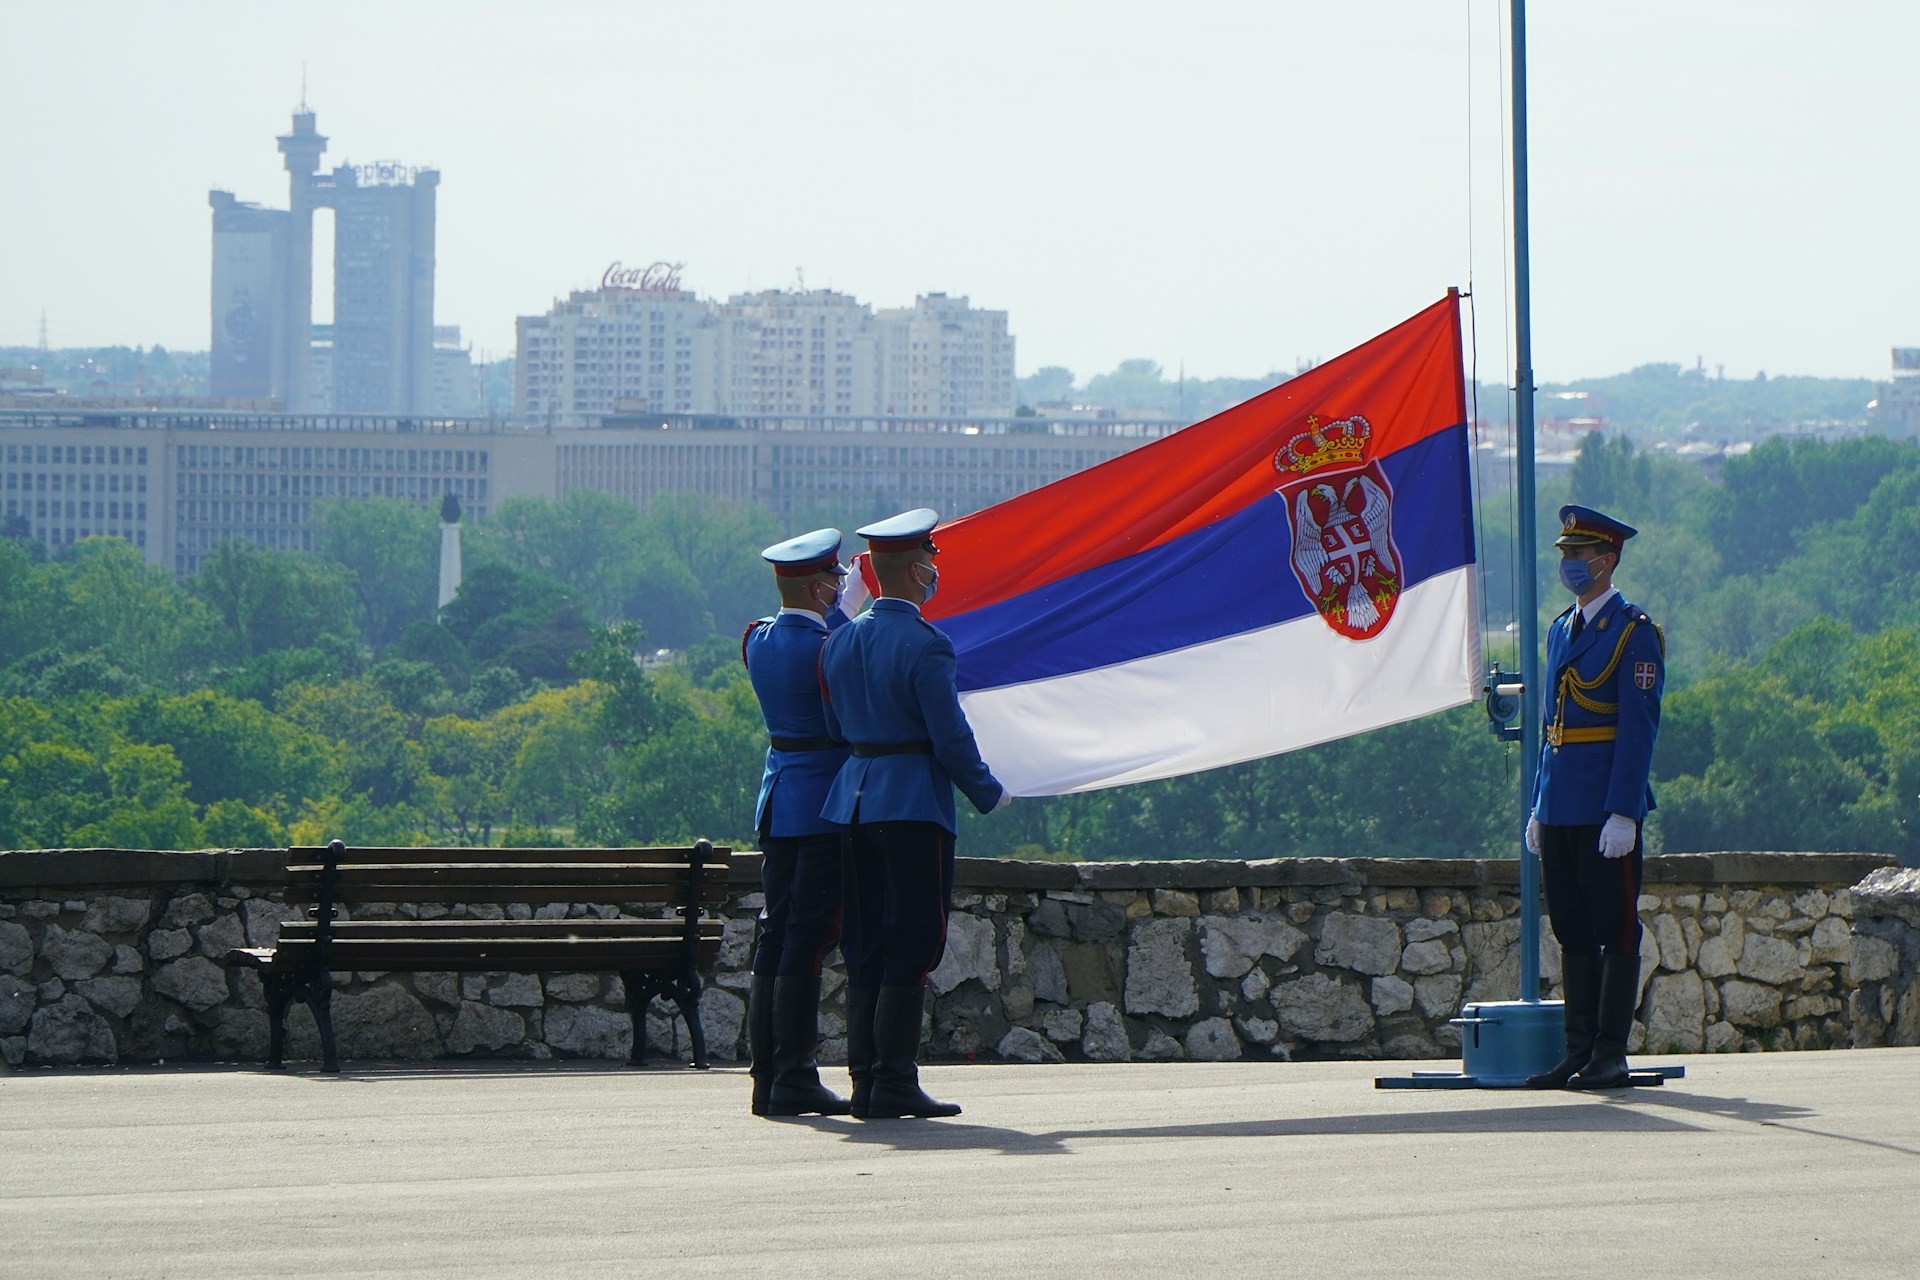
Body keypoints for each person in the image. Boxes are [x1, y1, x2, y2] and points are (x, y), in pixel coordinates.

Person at [819, 508, 1009, 1119]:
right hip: (912, 803)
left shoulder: (839, 640)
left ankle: (865, 1081)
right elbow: (949, 736)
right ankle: (895, 1080)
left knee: (865, 943)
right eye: (930, 561)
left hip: (853, 800)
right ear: (919, 569)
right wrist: (988, 790)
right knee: (914, 938)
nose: (934, 571)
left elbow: (834, 727)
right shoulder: (927, 644)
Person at [1524, 504, 1665, 1090]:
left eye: (1579, 555)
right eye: (1565, 554)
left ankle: (1610, 1053)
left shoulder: (1634, 633)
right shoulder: (1561, 629)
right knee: (1572, 931)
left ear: (1607, 561)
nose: (1569, 564)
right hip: (1562, 805)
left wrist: (1624, 812)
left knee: (1617, 929)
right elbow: (1551, 727)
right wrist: (1540, 804)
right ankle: (1577, 1050)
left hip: (1605, 807)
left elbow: (1637, 731)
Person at [741, 528, 854, 1117]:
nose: (841, 585)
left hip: (778, 799)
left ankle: (767, 1076)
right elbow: (843, 722)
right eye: (835, 578)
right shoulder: (830, 647)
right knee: (808, 938)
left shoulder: (757, 639)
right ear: (819, 587)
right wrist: (846, 615)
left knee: (776, 933)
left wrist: (835, 610)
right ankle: (795, 1073)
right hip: (820, 805)